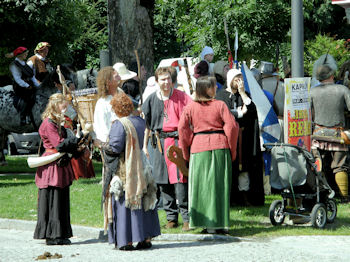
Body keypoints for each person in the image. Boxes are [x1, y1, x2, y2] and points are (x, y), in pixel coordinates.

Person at [178, 76, 239, 233]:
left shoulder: (190, 108)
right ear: (207, 89)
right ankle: (220, 224)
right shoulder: (220, 105)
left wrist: (186, 151)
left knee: (201, 187)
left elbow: (182, 129)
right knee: (220, 186)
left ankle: (205, 223)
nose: (216, 88)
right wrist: (232, 149)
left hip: (198, 147)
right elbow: (231, 127)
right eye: (213, 86)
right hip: (220, 146)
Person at [102, 92, 160, 250]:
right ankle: (145, 238)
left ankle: (127, 240)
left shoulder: (119, 124)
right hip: (142, 164)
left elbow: (115, 147)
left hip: (125, 167)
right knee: (144, 198)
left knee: (125, 200)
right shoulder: (140, 121)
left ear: (116, 108)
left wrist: (102, 145)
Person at [142, 67, 192, 231]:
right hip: (159, 143)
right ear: (157, 81)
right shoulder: (150, 100)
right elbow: (147, 126)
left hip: (177, 142)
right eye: (162, 79)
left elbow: (191, 116)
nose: (166, 82)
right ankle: (171, 217)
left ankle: (186, 217)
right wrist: (144, 146)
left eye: (168, 78)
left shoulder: (182, 97)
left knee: (180, 180)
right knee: (163, 181)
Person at [33, 93, 82, 245]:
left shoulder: (56, 122)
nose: (65, 108)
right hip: (51, 166)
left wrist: (79, 141)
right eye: (63, 105)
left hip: (59, 164)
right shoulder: (49, 123)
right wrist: (75, 139)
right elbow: (59, 144)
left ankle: (60, 234)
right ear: (55, 105)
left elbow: (65, 144)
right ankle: (52, 235)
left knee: (61, 198)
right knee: (53, 198)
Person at [216, 69, 265, 206]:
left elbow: (251, 110)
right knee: (230, 167)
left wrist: (242, 92)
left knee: (244, 167)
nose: (239, 82)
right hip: (228, 138)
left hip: (245, 138)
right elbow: (222, 114)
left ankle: (245, 196)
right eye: (236, 79)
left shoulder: (245, 95)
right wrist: (239, 113)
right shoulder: (220, 96)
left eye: (241, 79)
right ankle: (231, 198)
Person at [310, 64, 350, 202]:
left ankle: (322, 194)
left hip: (317, 133)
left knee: (318, 165)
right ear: (332, 75)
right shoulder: (343, 89)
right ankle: (344, 197)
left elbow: (308, 114)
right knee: (340, 166)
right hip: (338, 133)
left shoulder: (312, 92)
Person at [8, 46, 40, 125]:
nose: (26, 55)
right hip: (20, 86)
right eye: (25, 54)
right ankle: (23, 117)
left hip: (29, 85)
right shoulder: (14, 65)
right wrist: (26, 86)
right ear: (20, 54)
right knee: (27, 96)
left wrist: (38, 85)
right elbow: (17, 79)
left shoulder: (24, 63)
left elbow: (31, 76)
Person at [93, 66, 122, 145]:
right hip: (111, 145)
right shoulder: (102, 103)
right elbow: (101, 129)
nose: (120, 78)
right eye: (116, 76)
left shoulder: (121, 96)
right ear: (108, 81)